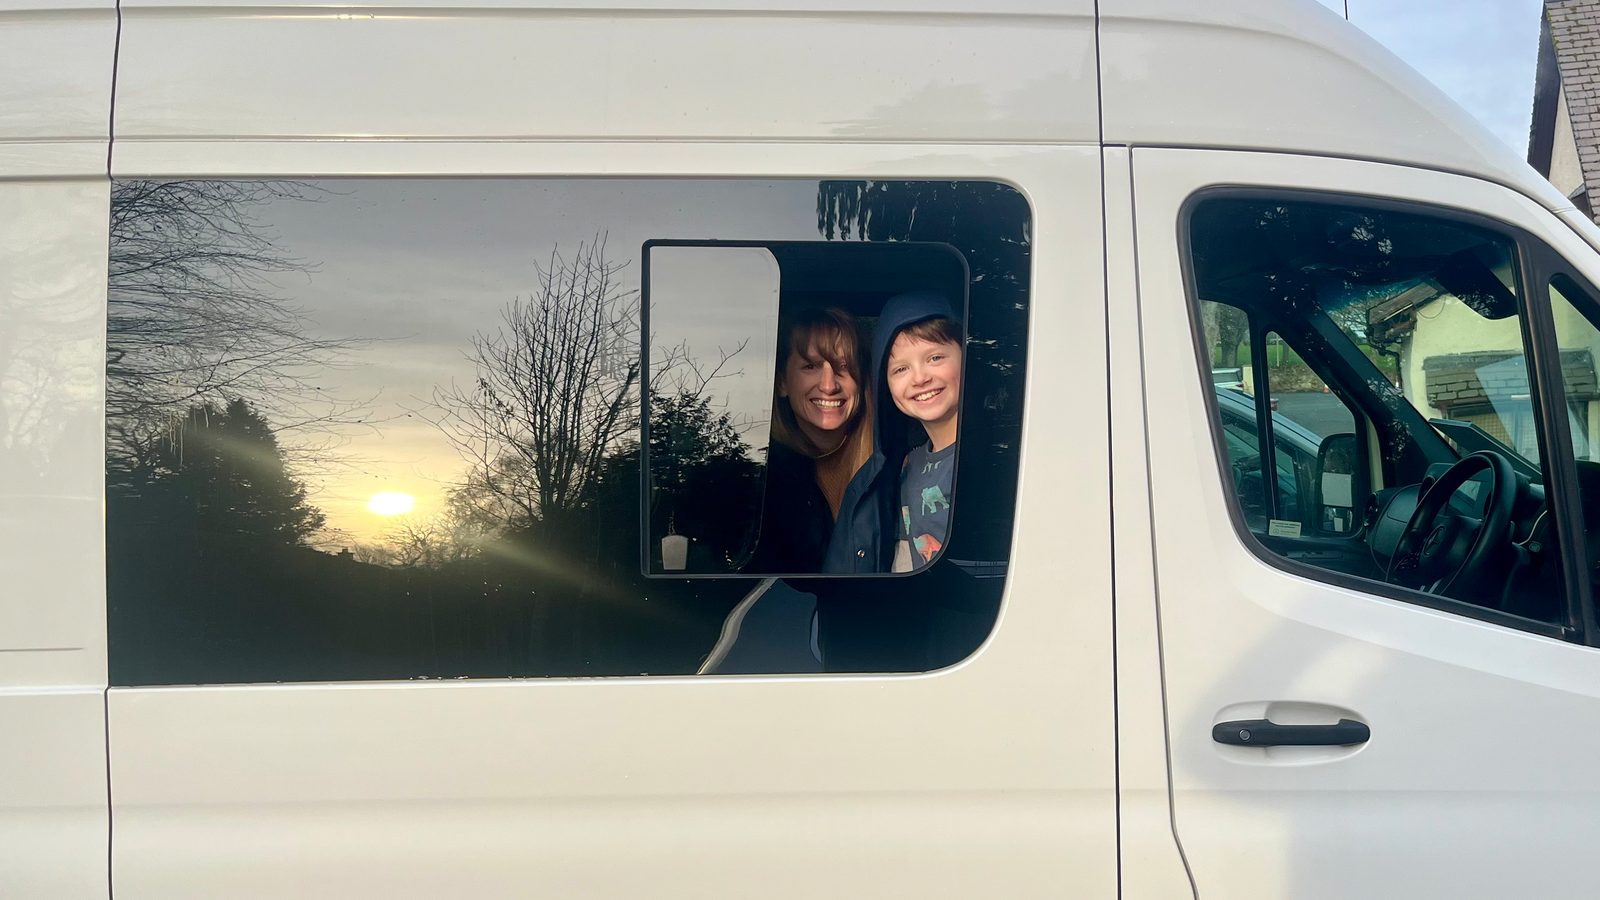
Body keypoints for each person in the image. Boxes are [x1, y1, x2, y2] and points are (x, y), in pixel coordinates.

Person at [745, 307, 875, 573]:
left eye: (844, 367)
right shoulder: (758, 479)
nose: (829, 385)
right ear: (782, 383)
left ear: (862, 381)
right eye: (811, 366)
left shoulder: (895, 469)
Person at [882, 306, 962, 573]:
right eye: (901, 369)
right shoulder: (910, 464)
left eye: (935, 357)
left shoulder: (993, 457)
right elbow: (905, 558)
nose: (920, 378)